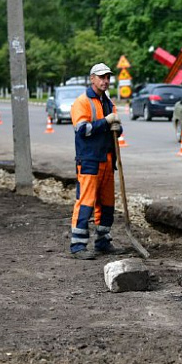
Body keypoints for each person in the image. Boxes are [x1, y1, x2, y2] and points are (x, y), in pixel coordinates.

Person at [69, 62, 123, 260]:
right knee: (86, 203)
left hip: (107, 160)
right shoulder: (82, 102)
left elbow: (115, 130)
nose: (106, 81)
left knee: (107, 203)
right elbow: (83, 130)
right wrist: (106, 122)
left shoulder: (107, 101)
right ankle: (77, 245)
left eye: (108, 77)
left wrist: (117, 126)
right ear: (92, 79)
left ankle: (102, 241)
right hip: (89, 160)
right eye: (102, 77)